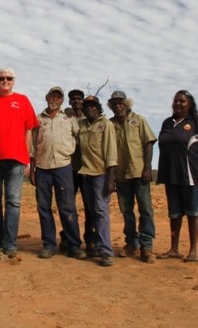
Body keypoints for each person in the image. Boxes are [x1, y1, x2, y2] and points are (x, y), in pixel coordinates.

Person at [0, 66, 39, 257]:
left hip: (16, 159)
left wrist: (26, 157)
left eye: (9, 78)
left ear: (13, 80)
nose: (5, 81)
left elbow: (29, 130)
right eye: (1, 78)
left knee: (13, 202)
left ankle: (10, 243)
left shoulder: (23, 101)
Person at [156, 90, 198, 262]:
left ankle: (193, 251)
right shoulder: (167, 123)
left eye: (182, 101)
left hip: (192, 175)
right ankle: (174, 248)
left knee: (193, 213)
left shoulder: (197, 120)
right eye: (175, 101)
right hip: (171, 175)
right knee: (175, 214)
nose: (178, 104)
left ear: (190, 104)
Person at [30, 86, 87, 260]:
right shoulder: (38, 119)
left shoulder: (68, 118)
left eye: (58, 97)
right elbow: (32, 145)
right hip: (42, 167)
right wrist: (32, 169)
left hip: (63, 167)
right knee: (44, 208)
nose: (54, 99)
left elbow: (81, 135)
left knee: (67, 207)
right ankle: (49, 244)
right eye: (52, 96)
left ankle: (73, 245)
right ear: (47, 97)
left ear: (61, 101)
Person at [108, 91, 157, 263]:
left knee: (145, 210)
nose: (117, 106)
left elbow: (149, 143)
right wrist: (111, 176)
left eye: (120, 102)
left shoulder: (139, 120)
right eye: (114, 104)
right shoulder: (110, 124)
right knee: (126, 211)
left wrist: (147, 168)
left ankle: (147, 246)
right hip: (121, 175)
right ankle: (131, 244)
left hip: (139, 173)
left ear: (127, 103)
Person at [78, 95, 117, 267]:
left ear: (98, 108)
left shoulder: (105, 124)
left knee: (101, 211)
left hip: (101, 175)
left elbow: (111, 153)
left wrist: (111, 179)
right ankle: (93, 245)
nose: (89, 109)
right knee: (91, 212)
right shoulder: (82, 125)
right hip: (86, 174)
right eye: (87, 106)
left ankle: (105, 252)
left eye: (93, 106)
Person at [65, 88, 97, 256]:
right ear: (69, 102)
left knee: (90, 205)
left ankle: (90, 238)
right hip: (69, 168)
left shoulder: (89, 118)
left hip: (87, 168)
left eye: (79, 99)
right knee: (68, 205)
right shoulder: (66, 116)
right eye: (73, 99)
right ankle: (68, 236)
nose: (76, 102)